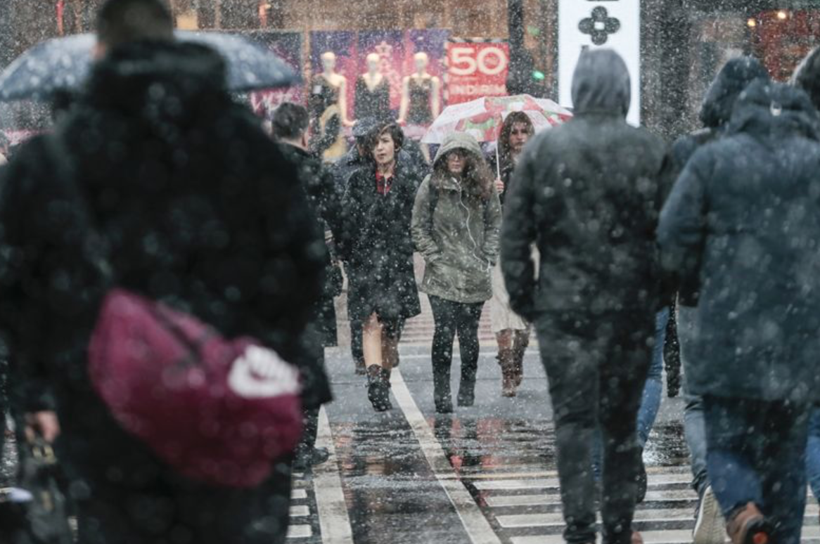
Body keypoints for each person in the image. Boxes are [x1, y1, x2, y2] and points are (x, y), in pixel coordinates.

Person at [0, 1, 328, 543]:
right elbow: (303, 263)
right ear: (173, 42)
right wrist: (254, 341)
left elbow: (20, 291)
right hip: (227, 392)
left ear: (99, 52)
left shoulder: (52, 159)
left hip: (105, 401)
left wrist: (34, 393)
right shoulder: (245, 147)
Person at [501, 49, 672, 544]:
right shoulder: (649, 149)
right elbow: (676, 236)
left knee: (572, 422)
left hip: (563, 307)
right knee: (619, 424)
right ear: (623, 89)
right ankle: (618, 526)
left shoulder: (544, 150)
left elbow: (514, 236)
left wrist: (528, 299)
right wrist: (657, 292)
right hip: (629, 308)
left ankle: (579, 526)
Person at [658, 79, 820, 544]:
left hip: (727, 325)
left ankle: (742, 507)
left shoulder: (711, 159)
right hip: (797, 334)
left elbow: (671, 239)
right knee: (788, 449)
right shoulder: (812, 161)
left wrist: (697, 280)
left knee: (726, 437)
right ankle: (781, 529)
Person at [668, 56, 770, 544]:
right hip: (762, 293)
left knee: (699, 399)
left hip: (700, 292)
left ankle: (713, 481)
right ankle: (748, 492)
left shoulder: (690, 149)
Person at [272, 102, 342, 471]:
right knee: (309, 362)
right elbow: (340, 218)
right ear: (304, 131)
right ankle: (302, 446)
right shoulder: (314, 169)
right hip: (309, 280)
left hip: (269, 283)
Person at [411, 132, 501, 413]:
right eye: (452, 153)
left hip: (474, 272)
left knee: (469, 335)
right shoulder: (432, 185)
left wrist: (487, 255)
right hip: (442, 273)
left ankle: (467, 386)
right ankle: (441, 391)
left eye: (462, 154)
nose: (456, 159)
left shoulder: (484, 187)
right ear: (443, 156)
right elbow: (418, 226)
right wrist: (434, 257)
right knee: (443, 333)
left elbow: (495, 223)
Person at [339, 121, 422, 412]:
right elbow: (346, 222)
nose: (380, 148)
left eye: (385, 141)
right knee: (370, 320)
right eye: (375, 143)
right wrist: (346, 254)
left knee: (391, 325)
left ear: (396, 144)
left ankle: (383, 376)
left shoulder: (410, 179)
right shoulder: (358, 180)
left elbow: (421, 218)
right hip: (365, 261)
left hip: (397, 263)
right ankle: (374, 380)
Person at [488, 112, 534, 397]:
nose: (519, 137)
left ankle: (517, 357)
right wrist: (490, 190)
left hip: (533, 244)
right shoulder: (493, 164)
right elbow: (480, 204)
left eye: (523, 131)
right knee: (501, 308)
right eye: (514, 132)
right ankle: (507, 370)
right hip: (502, 243)